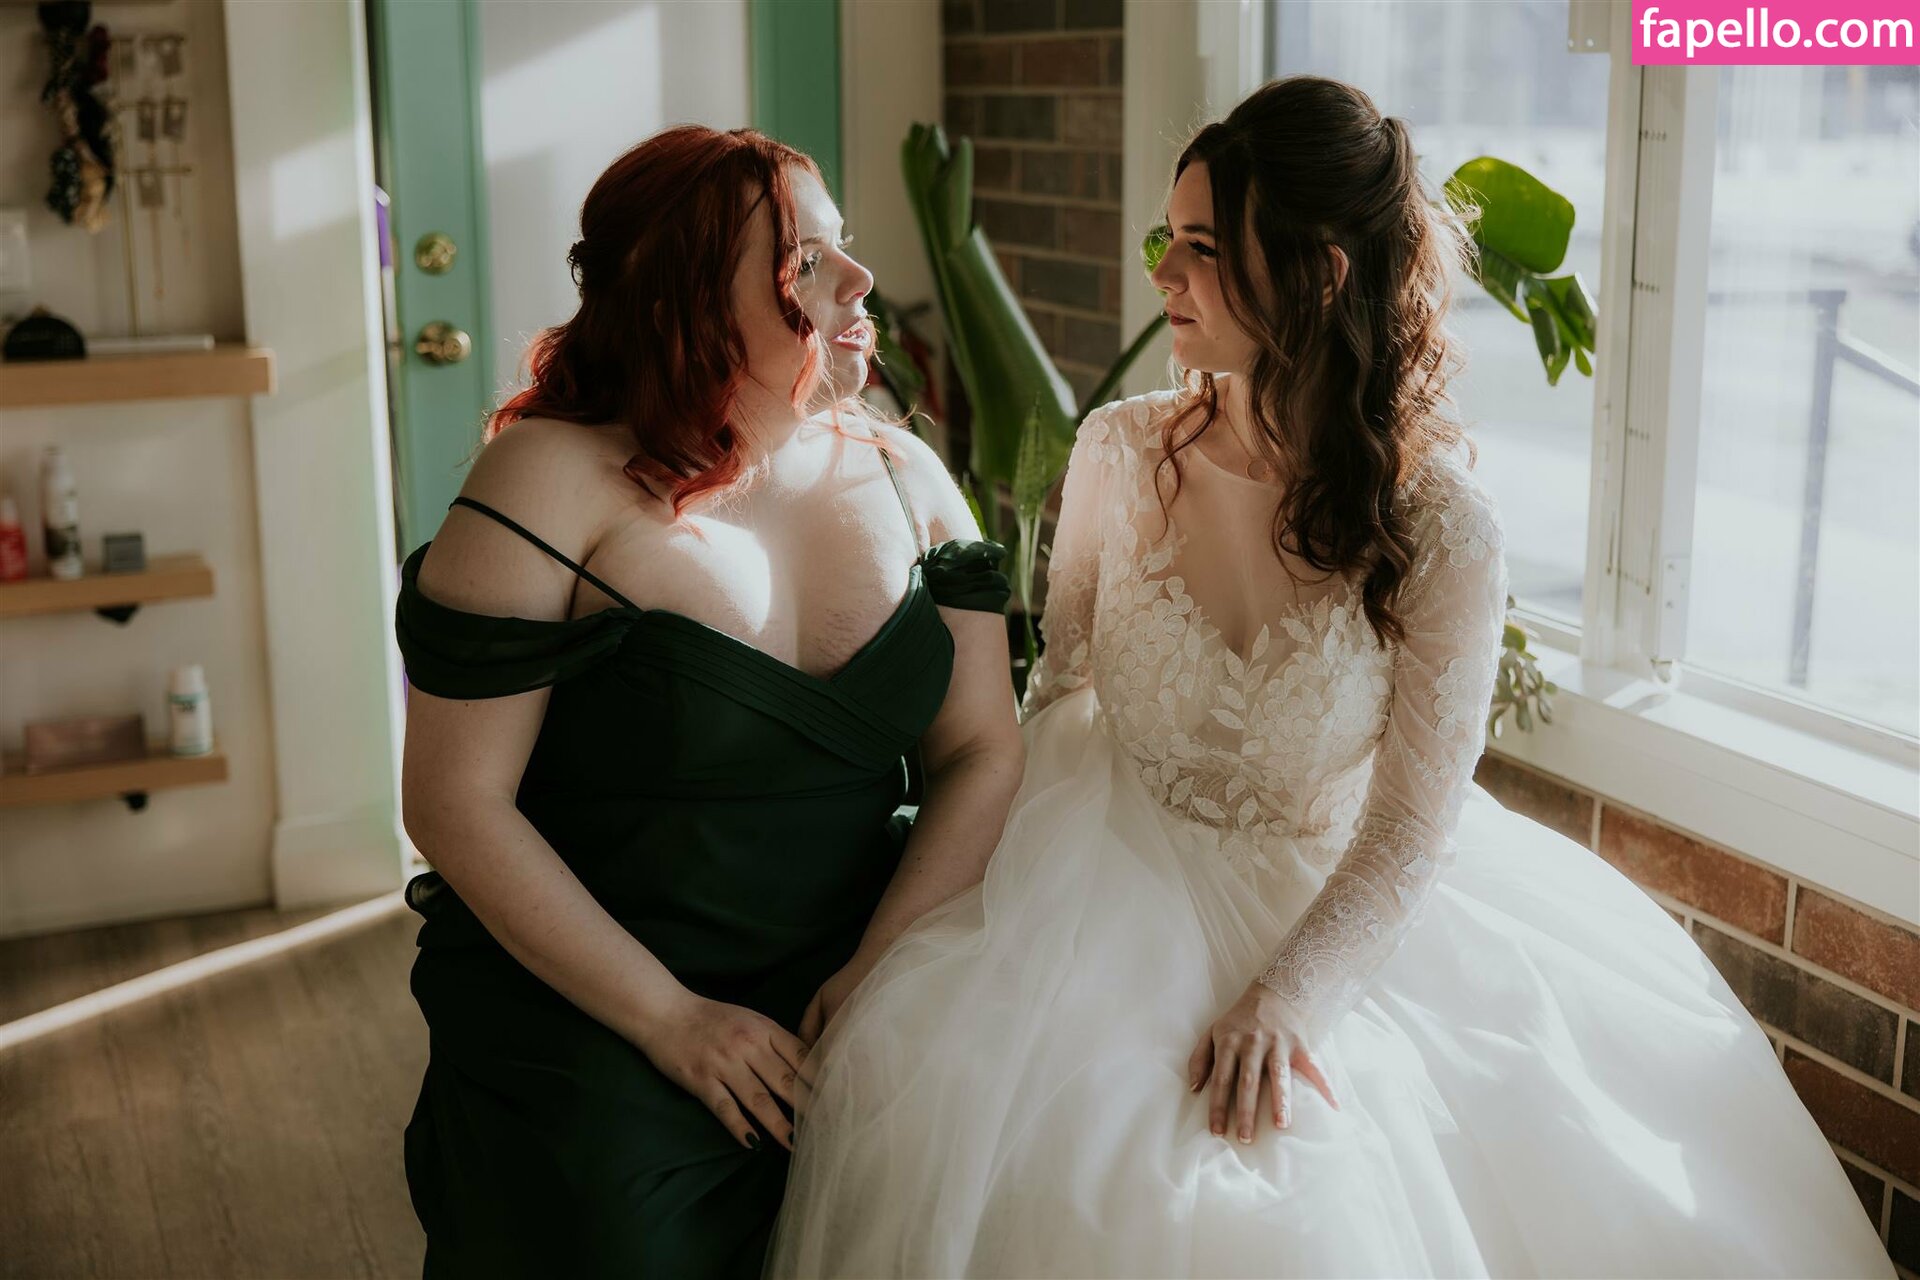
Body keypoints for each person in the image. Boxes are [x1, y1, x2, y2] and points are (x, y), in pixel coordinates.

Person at [766, 78, 1894, 1278]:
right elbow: (1059, 691)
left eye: (1203, 247)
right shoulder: (1119, 451)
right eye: (1169, 239)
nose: (1165, 273)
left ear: (1318, 273)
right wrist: (963, 909)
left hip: (1335, 898)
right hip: (1098, 861)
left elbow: (1411, 824)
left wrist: (1289, 996)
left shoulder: (1443, 526)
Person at [394, 125, 1021, 1278]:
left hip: (856, 966)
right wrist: (670, 1018)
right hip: (601, 991)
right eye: (806, 260)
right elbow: (453, 801)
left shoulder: (911, 477)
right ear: (683, 293)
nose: (859, 280)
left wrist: (877, 973)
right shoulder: (547, 480)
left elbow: (981, 750)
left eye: (845, 246)